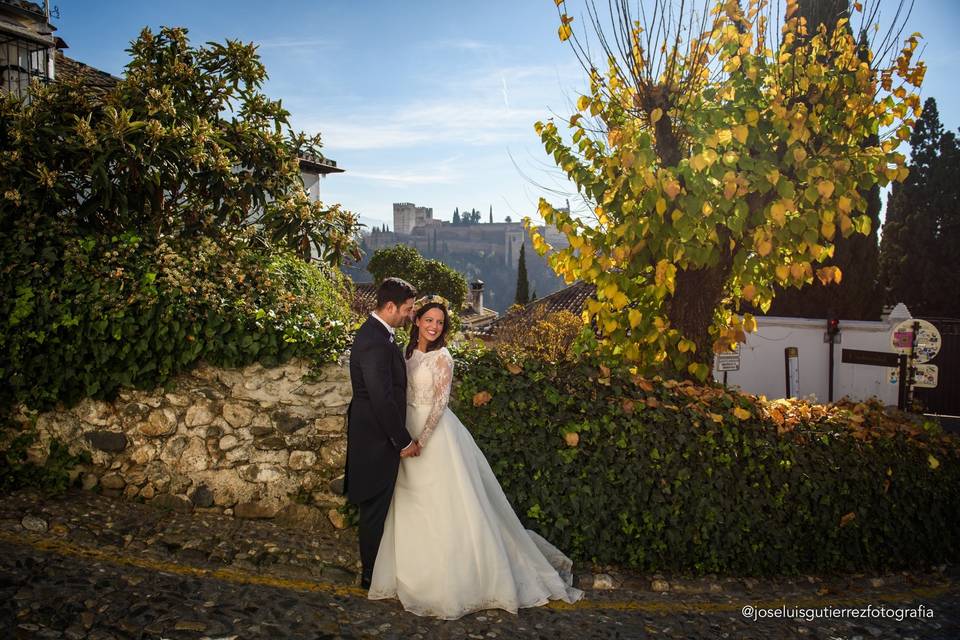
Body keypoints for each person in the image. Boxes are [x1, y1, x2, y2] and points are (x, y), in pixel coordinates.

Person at [368, 295, 584, 619]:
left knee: (445, 506)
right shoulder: (407, 353)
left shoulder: (444, 358)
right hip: (406, 429)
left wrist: (421, 441)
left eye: (439, 322)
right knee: (410, 503)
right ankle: (412, 574)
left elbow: (440, 404)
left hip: (434, 436)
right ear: (417, 321)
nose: (434, 326)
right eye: (429, 320)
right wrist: (399, 435)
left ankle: (451, 581)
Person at [344, 277, 421, 590]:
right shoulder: (375, 340)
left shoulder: (380, 335)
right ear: (390, 307)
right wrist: (402, 440)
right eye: (407, 309)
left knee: (377, 507)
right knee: (375, 509)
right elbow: (381, 397)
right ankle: (370, 576)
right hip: (375, 439)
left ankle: (375, 570)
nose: (410, 316)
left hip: (374, 435)